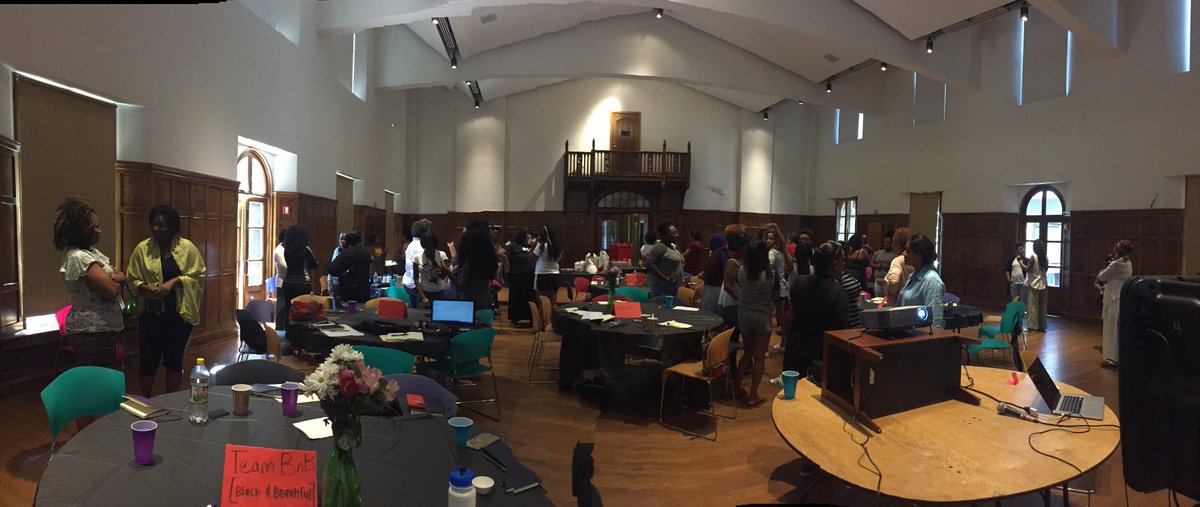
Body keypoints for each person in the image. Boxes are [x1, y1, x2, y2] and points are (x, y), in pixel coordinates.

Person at [127, 205, 206, 397]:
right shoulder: (142, 249)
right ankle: (146, 400)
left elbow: (198, 275)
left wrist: (176, 281)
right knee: (147, 362)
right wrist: (145, 288)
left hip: (178, 315)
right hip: (150, 315)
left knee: (174, 361)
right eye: (153, 224)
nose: (156, 228)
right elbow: (132, 278)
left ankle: (172, 399)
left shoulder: (187, 248)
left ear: (172, 226)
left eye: (162, 225)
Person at [53, 196, 125, 369]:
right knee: (98, 378)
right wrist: (121, 279)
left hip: (100, 329)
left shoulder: (90, 252)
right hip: (92, 331)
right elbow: (112, 289)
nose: (99, 231)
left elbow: (112, 277)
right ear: (81, 229)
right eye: (95, 227)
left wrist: (118, 278)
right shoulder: (79, 257)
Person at [783, 241, 850, 377]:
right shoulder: (838, 292)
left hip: (794, 351)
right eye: (843, 260)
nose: (844, 264)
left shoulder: (799, 282)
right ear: (835, 264)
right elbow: (840, 331)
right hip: (817, 359)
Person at [729, 240, 778, 408]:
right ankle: (753, 395)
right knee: (759, 357)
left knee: (747, 352)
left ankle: (736, 388)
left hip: (744, 314)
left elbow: (738, 285)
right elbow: (776, 295)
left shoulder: (741, 271)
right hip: (762, 316)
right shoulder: (770, 274)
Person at [278, 225, 318, 347]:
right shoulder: (305, 250)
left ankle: (290, 335)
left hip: (288, 282)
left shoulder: (287, 250)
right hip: (302, 283)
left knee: (289, 310)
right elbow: (313, 265)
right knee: (303, 311)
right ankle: (301, 338)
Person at [1097, 240, 1133, 368]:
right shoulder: (1128, 263)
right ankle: (1117, 355)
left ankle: (1111, 357)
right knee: (1117, 328)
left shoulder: (1115, 264)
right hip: (1121, 296)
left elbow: (1101, 276)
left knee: (1110, 327)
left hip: (1112, 298)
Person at [897, 234, 945, 329]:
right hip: (908, 333)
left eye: (908, 251)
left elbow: (935, 320)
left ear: (919, 255)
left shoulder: (931, 280)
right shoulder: (913, 276)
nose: (904, 254)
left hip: (921, 335)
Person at [450, 221, 499, 313]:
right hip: (485, 301)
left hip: (471, 303)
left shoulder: (470, 264)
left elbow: (463, 288)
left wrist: (449, 274)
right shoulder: (486, 259)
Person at [761, 224, 792, 353]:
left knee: (769, 317)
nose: (769, 241)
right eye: (767, 238)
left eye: (771, 238)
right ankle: (784, 342)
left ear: (776, 240)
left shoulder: (772, 253)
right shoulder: (780, 251)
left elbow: (769, 265)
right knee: (781, 317)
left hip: (773, 287)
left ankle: (765, 348)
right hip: (781, 286)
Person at [327, 231, 373, 306]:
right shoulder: (367, 251)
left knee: (350, 311)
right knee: (362, 310)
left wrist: (342, 272)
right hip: (364, 290)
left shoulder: (347, 253)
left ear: (346, 242)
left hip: (349, 291)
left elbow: (331, 269)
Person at [503, 230, 536, 327]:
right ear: (522, 238)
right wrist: (507, 266)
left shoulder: (531, 247)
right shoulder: (513, 247)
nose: (530, 240)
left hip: (530, 276)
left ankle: (531, 318)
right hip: (517, 276)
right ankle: (515, 319)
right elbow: (500, 253)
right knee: (516, 297)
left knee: (530, 297)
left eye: (531, 238)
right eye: (528, 238)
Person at [645, 222, 684, 299]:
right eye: (672, 234)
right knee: (661, 304)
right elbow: (649, 264)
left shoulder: (674, 246)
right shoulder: (660, 247)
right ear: (665, 234)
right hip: (662, 286)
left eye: (676, 234)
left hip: (673, 286)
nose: (675, 236)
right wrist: (663, 277)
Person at [402, 219, 431, 308]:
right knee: (421, 312)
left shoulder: (410, 245)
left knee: (414, 311)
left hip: (408, 282)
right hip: (418, 285)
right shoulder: (421, 247)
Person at [532, 225, 563, 306]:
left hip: (542, 275)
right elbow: (559, 260)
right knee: (553, 302)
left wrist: (534, 244)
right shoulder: (557, 247)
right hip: (555, 275)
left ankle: (543, 315)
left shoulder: (541, 246)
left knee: (542, 303)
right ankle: (553, 314)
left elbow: (531, 258)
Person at [697, 233, 728, 313]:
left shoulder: (716, 255)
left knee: (708, 312)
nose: (708, 244)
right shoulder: (725, 253)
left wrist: (702, 276)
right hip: (721, 288)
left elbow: (710, 274)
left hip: (712, 288)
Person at [884, 227, 914, 304]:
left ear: (897, 243)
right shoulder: (914, 260)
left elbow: (894, 282)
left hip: (897, 303)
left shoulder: (897, 261)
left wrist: (889, 290)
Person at [839, 243, 865, 328]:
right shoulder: (840, 279)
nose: (853, 257)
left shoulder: (846, 274)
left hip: (855, 324)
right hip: (848, 327)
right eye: (850, 254)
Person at [1026, 238, 1049, 332]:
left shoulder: (1033, 257)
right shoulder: (1045, 257)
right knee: (1043, 306)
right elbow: (1046, 269)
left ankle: (1033, 326)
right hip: (1043, 282)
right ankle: (1042, 325)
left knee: (1033, 306)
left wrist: (1020, 262)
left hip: (1034, 283)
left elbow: (1027, 269)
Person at [870, 230, 898, 297]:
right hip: (877, 280)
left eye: (888, 242)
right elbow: (871, 263)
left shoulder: (895, 254)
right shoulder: (878, 252)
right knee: (877, 298)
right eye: (885, 242)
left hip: (887, 281)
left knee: (887, 298)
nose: (886, 244)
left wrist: (887, 266)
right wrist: (877, 266)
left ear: (892, 243)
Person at [329, 232, 348, 306]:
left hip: (347, 283)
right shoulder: (337, 250)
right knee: (336, 305)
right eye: (340, 239)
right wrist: (329, 283)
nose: (342, 241)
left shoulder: (351, 251)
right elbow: (332, 266)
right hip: (336, 282)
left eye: (344, 239)